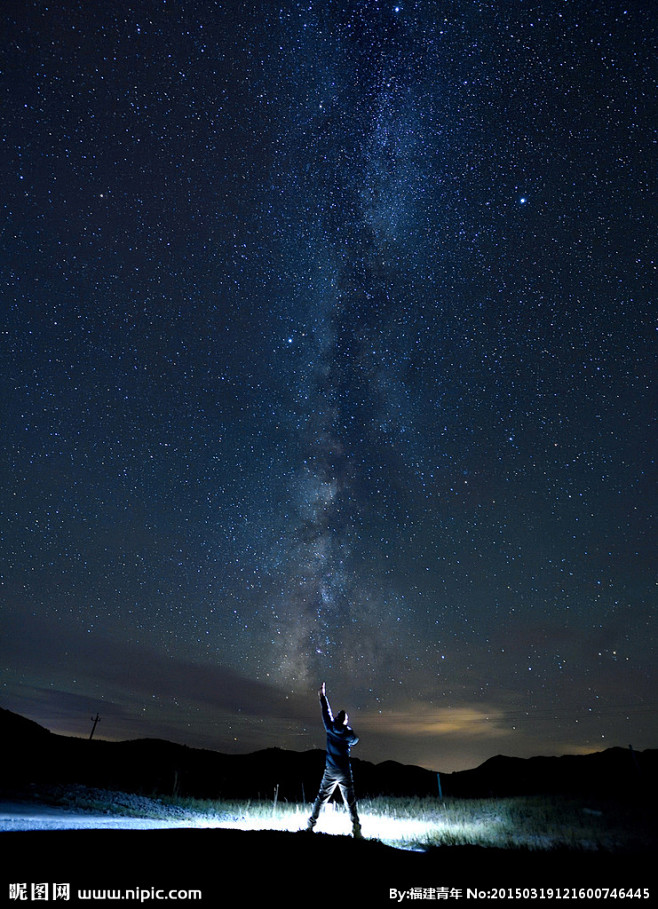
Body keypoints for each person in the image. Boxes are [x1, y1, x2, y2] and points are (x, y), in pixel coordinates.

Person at [305, 681, 362, 838]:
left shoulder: (329, 727)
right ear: (345, 721)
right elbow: (356, 739)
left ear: (336, 718)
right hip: (344, 771)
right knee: (350, 802)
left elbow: (326, 711)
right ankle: (356, 830)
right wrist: (346, 728)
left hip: (330, 770)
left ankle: (310, 825)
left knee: (321, 798)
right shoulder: (348, 733)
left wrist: (322, 696)